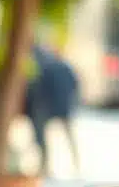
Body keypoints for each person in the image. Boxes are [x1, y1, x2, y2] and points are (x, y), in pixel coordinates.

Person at [23, 42, 81, 177]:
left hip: (48, 107)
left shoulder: (44, 67)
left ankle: (46, 165)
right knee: (68, 135)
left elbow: (37, 90)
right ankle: (74, 164)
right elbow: (75, 85)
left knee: (42, 136)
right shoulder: (64, 66)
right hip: (62, 106)